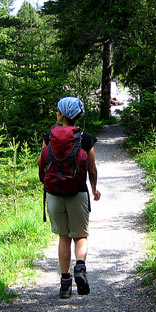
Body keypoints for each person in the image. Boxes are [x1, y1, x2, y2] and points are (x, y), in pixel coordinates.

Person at [37, 97, 101, 298]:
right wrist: (94, 188)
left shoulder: (49, 136)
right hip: (77, 192)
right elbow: (91, 168)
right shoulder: (85, 138)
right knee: (80, 236)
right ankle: (80, 268)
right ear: (79, 115)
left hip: (54, 194)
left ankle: (65, 285)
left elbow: (41, 162)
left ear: (61, 114)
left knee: (63, 237)